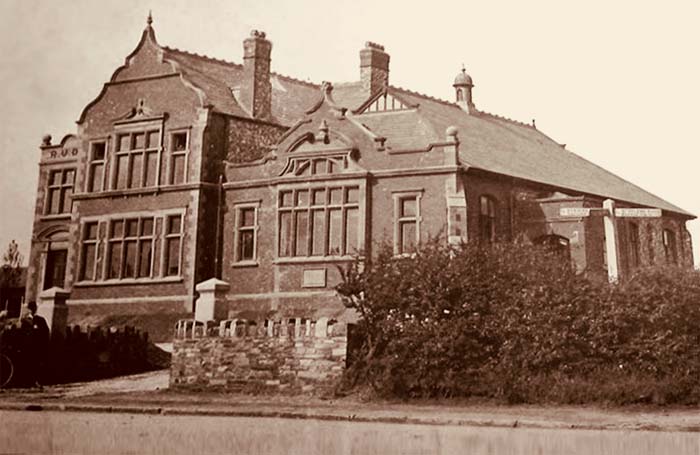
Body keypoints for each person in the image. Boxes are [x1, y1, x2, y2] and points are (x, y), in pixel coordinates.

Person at [22, 301, 49, 387]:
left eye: (34, 308)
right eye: (30, 308)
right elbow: (22, 333)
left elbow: (46, 332)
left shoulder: (40, 320)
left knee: (37, 364)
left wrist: (43, 344)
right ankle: (27, 381)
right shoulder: (24, 321)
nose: (32, 310)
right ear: (28, 309)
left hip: (37, 346)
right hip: (28, 346)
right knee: (27, 363)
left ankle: (36, 381)